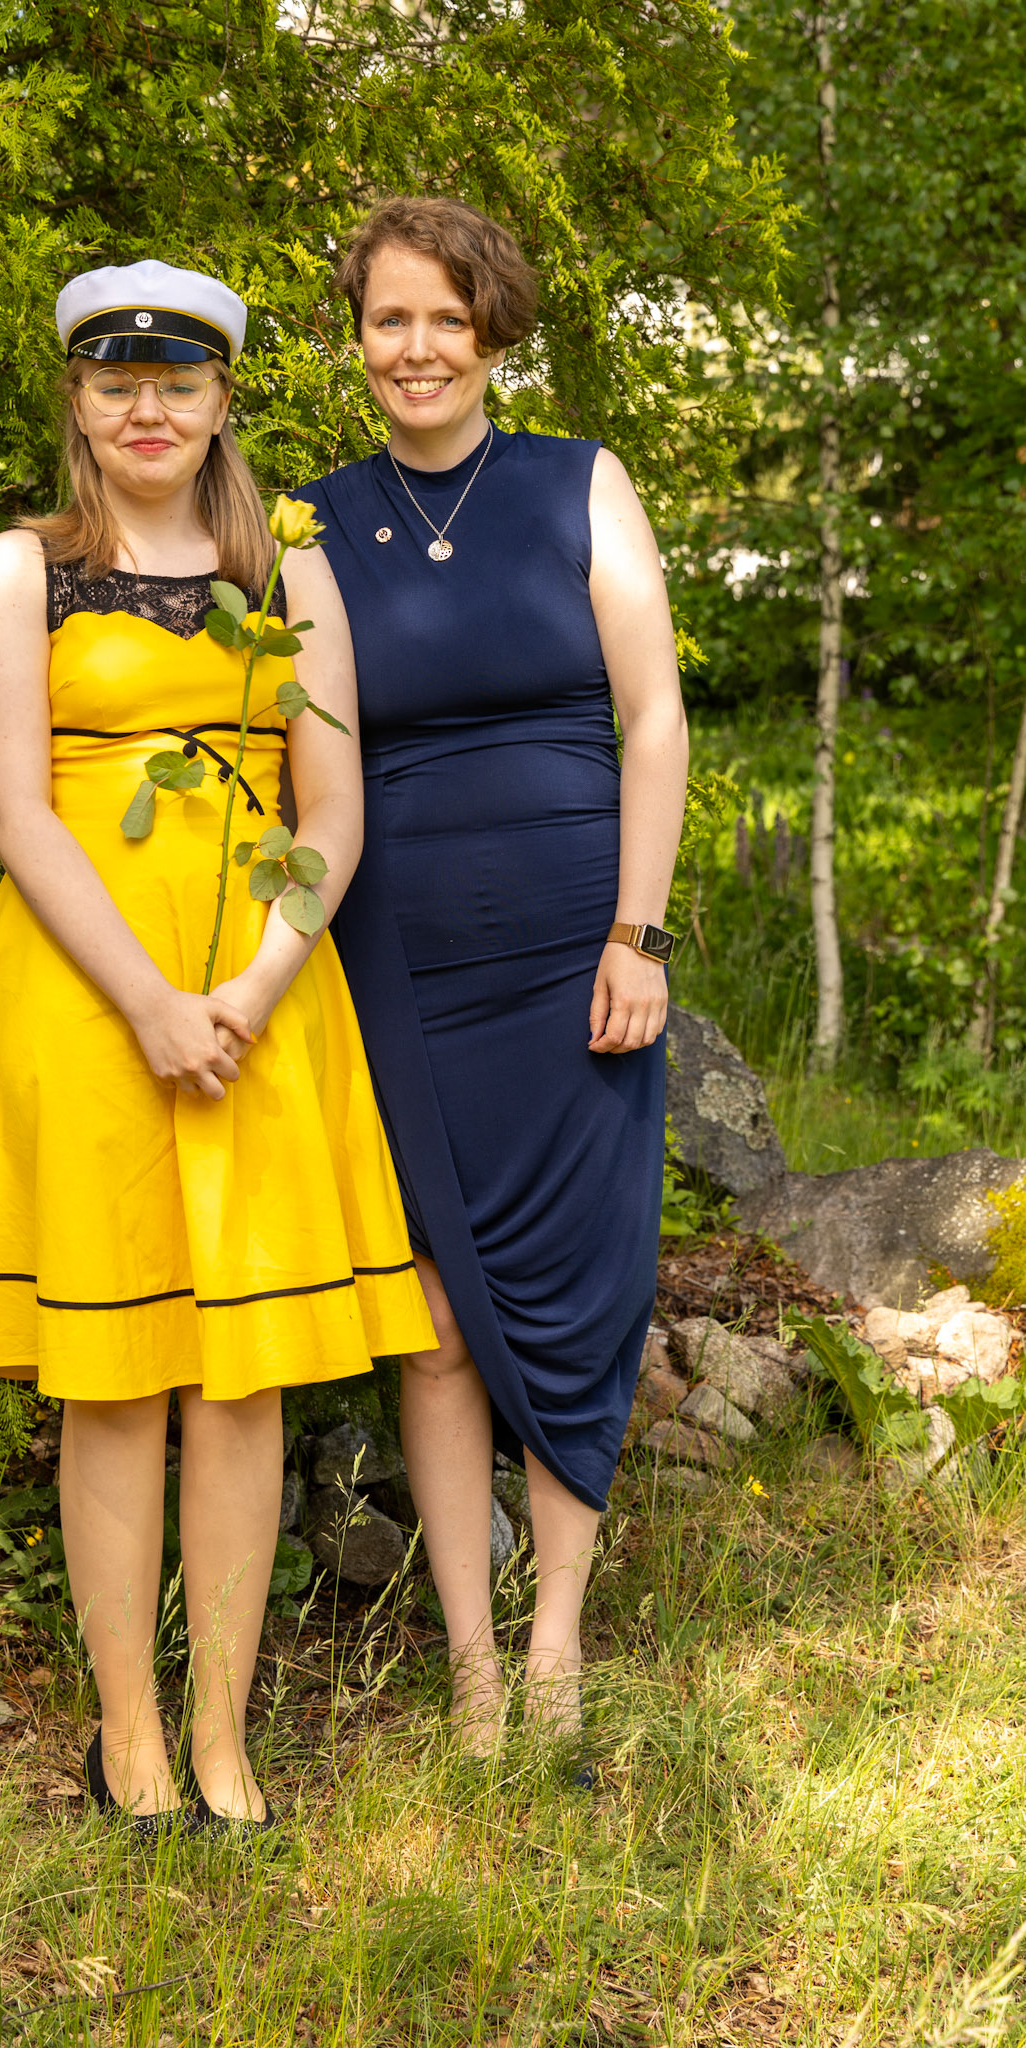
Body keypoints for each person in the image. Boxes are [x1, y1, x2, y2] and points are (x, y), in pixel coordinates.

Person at [0, 259, 434, 1831]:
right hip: (87, 1004)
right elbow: (17, 810)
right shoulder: (24, 571)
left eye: (177, 385)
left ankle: (221, 1734)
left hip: (261, 1002)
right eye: (117, 383)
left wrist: (256, 988)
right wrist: (146, 1002)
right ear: (78, 399)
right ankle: (126, 1730)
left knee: (243, 1384)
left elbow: (333, 810)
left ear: (218, 402)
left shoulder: (290, 571)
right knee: (118, 1381)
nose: (148, 410)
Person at [304, 199, 688, 1754]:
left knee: (582, 1298)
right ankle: (470, 1669)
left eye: (443, 319)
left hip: (581, 961)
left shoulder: (579, 483)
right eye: (388, 319)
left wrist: (637, 934)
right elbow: (315, 776)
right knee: (440, 1314)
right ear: (357, 337)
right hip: (402, 972)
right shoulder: (310, 525)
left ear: (491, 331)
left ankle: (555, 1652)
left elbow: (650, 718)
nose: (416, 348)